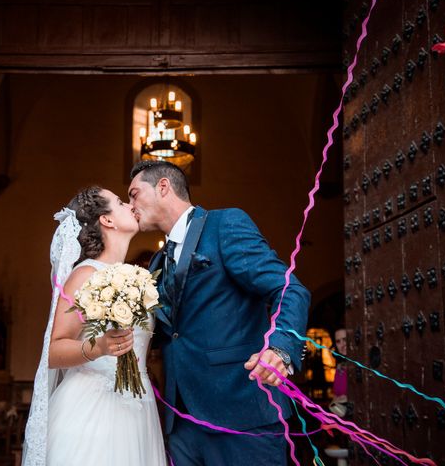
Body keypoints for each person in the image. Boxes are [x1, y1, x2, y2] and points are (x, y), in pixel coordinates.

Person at [128, 160, 311, 465]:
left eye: (134, 193)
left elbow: (290, 289)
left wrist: (281, 348)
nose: (131, 204)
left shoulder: (224, 225)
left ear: (163, 187)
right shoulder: (157, 262)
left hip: (241, 411)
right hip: (181, 421)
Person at [22, 186, 167, 466]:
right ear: (107, 220)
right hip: (93, 408)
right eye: (121, 202)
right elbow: (52, 351)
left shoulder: (138, 277)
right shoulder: (85, 274)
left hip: (137, 405)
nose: (130, 205)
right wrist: (99, 346)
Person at [329, 328, 348, 418]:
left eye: (345, 340)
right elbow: (336, 396)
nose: (342, 345)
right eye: (338, 341)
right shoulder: (340, 366)